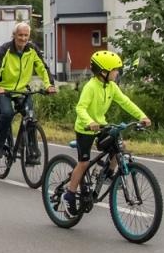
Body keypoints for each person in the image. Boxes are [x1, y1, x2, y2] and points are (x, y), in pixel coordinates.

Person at [62, 50, 151, 215]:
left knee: (119, 145)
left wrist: (142, 116)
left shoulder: (112, 86)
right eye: (115, 70)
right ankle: (69, 195)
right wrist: (90, 122)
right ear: (103, 72)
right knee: (83, 163)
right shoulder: (90, 87)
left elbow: (125, 102)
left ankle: (108, 174)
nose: (117, 73)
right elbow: (80, 108)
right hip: (85, 128)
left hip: (101, 125)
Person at [0, 22, 55, 158]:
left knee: (30, 116)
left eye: (26, 35)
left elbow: (42, 68)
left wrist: (49, 85)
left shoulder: (32, 49)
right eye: (20, 35)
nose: (23, 38)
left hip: (22, 90)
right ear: (14, 35)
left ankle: (30, 149)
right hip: (4, 90)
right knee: (7, 113)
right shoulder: (5, 49)